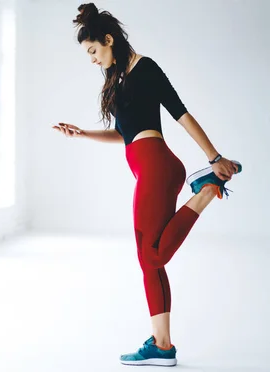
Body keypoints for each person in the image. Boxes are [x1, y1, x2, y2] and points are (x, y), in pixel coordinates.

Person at [51, 3, 243, 367]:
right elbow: (124, 135)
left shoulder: (145, 68)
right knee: (150, 261)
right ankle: (162, 345)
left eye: (93, 51)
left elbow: (181, 113)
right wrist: (82, 134)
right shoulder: (116, 79)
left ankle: (204, 192)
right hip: (151, 168)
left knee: (151, 256)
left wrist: (215, 158)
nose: (91, 59)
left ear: (108, 40)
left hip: (157, 166)